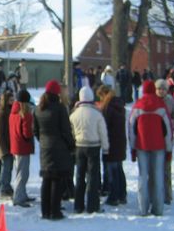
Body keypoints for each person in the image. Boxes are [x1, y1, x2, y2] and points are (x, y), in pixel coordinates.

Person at [128, 80, 173, 216]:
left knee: (143, 176)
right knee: (158, 176)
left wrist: (133, 148)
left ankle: (143, 208)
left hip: (142, 145)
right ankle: (158, 209)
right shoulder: (161, 105)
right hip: (158, 146)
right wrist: (169, 148)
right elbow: (168, 130)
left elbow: (131, 129)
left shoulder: (138, 105)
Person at [34, 80, 75, 220]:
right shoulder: (59, 108)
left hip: (45, 147)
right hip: (58, 147)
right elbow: (66, 130)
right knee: (56, 180)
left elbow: (36, 130)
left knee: (46, 180)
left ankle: (45, 211)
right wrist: (71, 145)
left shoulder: (38, 108)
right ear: (57, 93)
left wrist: (43, 141)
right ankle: (55, 211)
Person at [70, 86, 109, 214]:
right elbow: (103, 132)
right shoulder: (97, 114)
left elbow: (71, 132)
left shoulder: (74, 114)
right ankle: (93, 205)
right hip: (93, 147)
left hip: (79, 146)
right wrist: (105, 148)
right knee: (93, 176)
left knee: (80, 176)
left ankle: (78, 205)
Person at [96, 85, 127, 206]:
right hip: (120, 141)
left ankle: (113, 196)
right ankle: (122, 194)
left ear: (104, 94)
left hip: (110, 142)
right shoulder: (119, 105)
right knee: (119, 168)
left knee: (112, 169)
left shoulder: (108, 108)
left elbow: (104, 125)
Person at [154, 79, 174, 205]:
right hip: (153, 140)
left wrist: (171, 123)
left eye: (163, 89)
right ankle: (154, 193)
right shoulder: (151, 101)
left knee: (166, 168)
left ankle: (167, 195)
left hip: (167, 139)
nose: (161, 91)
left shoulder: (171, 102)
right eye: (159, 89)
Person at [9, 90, 35, 207]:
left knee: (19, 171)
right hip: (23, 146)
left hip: (15, 146)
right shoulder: (26, 115)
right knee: (22, 174)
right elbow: (27, 133)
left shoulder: (13, 113)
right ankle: (18, 197)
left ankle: (22, 194)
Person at [0, 90, 15, 199]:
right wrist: (3, 148)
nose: (12, 102)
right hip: (5, 147)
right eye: (10, 100)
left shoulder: (11, 111)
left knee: (9, 168)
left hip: (11, 145)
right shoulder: (2, 113)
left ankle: (7, 187)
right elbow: (0, 133)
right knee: (6, 168)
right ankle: (4, 188)